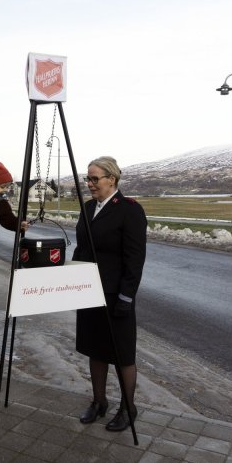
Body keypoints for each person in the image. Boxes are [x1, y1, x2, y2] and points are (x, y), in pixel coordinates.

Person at [73, 156, 147, 432]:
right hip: (89, 290)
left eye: (94, 178)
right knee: (96, 349)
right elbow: (81, 250)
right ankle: (99, 401)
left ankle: (128, 407)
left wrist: (126, 297)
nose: (89, 184)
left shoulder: (129, 210)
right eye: (87, 179)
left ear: (111, 179)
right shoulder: (88, 208)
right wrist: (73, 279)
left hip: (116, 294)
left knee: (122, 354)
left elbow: (135, 259)